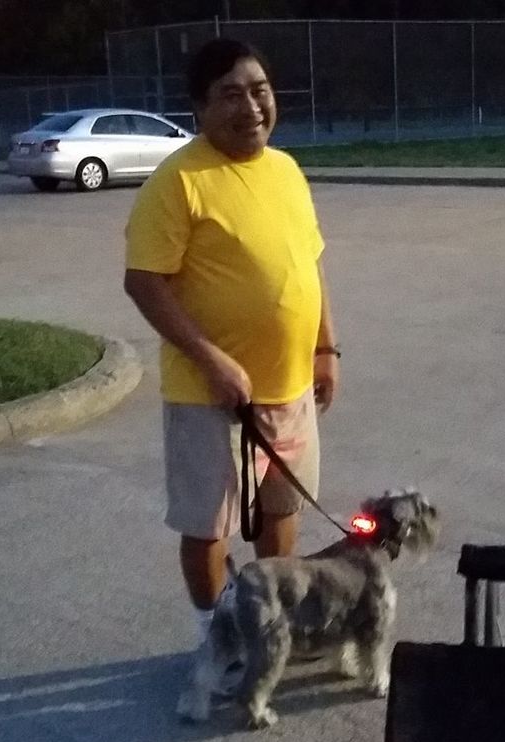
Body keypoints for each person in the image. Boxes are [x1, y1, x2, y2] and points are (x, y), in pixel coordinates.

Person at [123, 38, 340, 651]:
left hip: (290, 388)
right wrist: (210, 359)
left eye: (260, 90)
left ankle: (272, 622)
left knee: (282, 509)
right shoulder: (178, 182)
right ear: (199, 107)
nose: (251, 107)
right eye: (231, 95)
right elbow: (144, 281)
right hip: (211, 397)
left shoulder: (286, 170)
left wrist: (326, 349)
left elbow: (308, 264)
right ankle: (216, 637)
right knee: (209, 524)